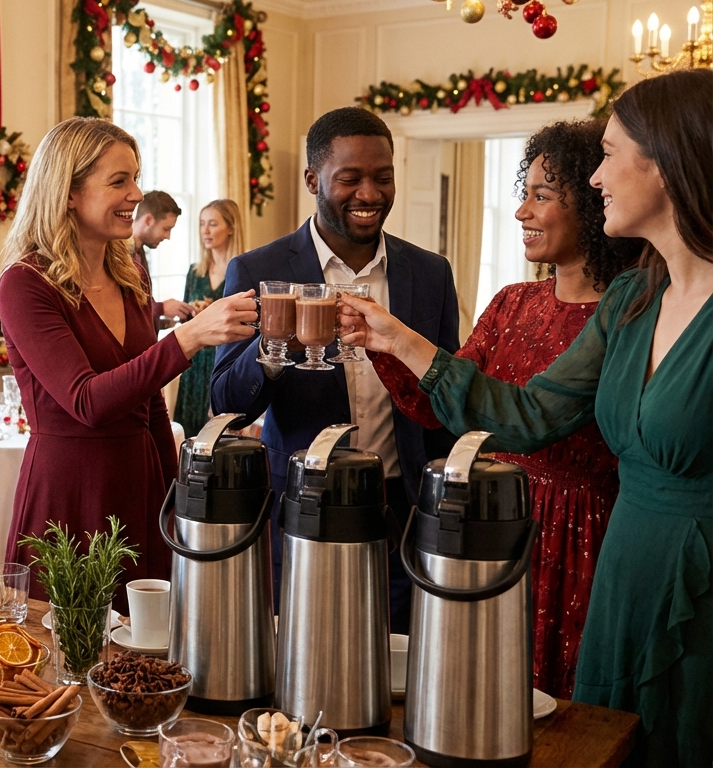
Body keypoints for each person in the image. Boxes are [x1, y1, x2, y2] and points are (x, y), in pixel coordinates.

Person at [339, 69, 713, 766]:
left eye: (609, 154)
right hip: (624, 569)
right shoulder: (633, 299)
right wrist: (397, 339)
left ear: (667, 160)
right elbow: (529, 413)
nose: (596, 177)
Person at [372, 119, 640, 698]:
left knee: (560, 710)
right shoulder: (512, 303)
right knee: (476, 697)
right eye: (525, 194)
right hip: (488, 524)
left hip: (578, 538)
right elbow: (440, 404)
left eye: (542, 196)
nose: (521, 212)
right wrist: (379, 341)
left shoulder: (631, 312)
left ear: (592, 203)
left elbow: (530, 415)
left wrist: (399, 338)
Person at [209, 106, 461, 634]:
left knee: (398, 654)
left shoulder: (430, 273)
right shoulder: (258, 270)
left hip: (403, 512)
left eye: (383, 177)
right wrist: (274, 347)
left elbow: (445, 398)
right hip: (303, 506)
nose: (370, 193)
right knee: (304, 648)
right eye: (350, 178)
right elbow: (227, 404)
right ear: (312, 180)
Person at [0, 117, 258, 599]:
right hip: (70, 491)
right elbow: (87, 401)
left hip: (140, 484)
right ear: (68, 192)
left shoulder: (131, 274)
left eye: (135, 178)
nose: (136, 194)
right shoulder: (25, 283)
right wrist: (188, 338)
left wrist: (175, 497)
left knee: (147, 638)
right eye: (119, 181)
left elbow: (152, 404)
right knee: (69, 637)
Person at [173, 199, 245, 438]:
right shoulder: (195, 272)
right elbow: (186, 321)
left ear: (231, 228)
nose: (205, 231)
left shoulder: (243, 272)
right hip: (194, 365)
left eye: (212, 224)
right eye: (202, 224)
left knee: (220, 439)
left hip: (225, 364)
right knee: (190, 435)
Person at [131, 190, 195, 329]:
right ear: (148, 220)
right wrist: (162, 308)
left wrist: (158, 322)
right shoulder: (121, 255)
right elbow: (123, 308)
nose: (168, 236)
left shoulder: (140, 252)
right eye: (166, 229)